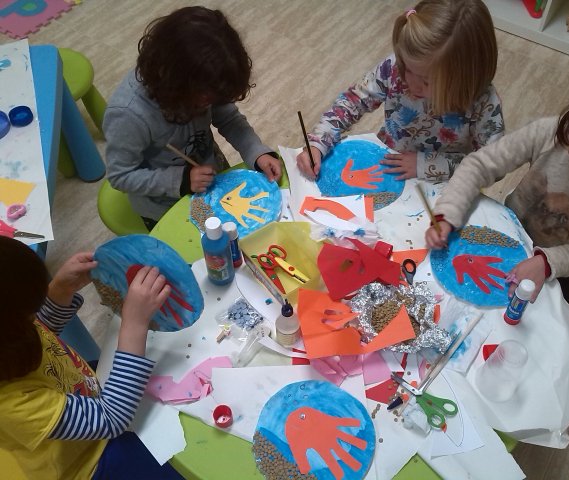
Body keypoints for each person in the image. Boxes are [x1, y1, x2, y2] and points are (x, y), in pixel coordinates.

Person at [425, 68, 569, 304]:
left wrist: (546, 263)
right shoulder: (549, 131)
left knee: (526, 314)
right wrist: (448, 213)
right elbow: (479, 165)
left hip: (564, 267)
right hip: (512, 232)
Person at [0, 237, 183, 479]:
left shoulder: (11, 337)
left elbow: (40, 333)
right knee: (180, 462)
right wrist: (135, 323)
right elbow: (112, 418)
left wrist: (59, 291)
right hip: (89, 462)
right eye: (29, 317)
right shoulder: (11, 405)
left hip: (87, 392)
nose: (34, 321)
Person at [104, 6, 281, 231]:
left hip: (211, 178)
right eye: (205, 100)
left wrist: (257, 152)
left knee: (233, 235)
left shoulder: (205, 81)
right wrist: (181, 180)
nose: (210, 104)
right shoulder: (128, 114)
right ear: (176, 84)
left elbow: (229, 119)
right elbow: (120, 176)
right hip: (167, 205)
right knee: (202, 246)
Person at [296, 0, 504, 181]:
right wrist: (318, 142)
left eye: (426, 81)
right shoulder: (394, 68)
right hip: (389, 163)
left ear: (465, 78)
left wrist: (427, 164)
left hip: (445, 187)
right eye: (407, 68)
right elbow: (352, 102)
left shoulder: (483, 102)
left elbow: (493, 166)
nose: (411, 83)